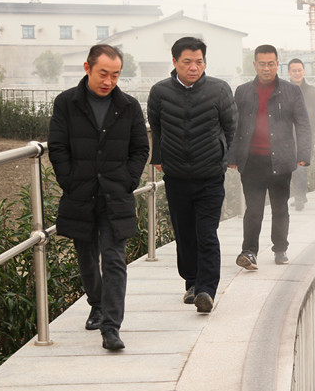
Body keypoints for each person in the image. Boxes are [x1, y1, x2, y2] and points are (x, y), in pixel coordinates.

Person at [48, 44, 149, 351]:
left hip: (115, 193)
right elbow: (58, 146)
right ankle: (97, 303)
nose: (109, 81)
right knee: (87, 254)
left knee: (115, 258)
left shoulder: (129, 106)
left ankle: (111, 326)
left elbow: (140, 149)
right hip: (81, 192)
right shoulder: (66, 103)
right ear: (87, 68)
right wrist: (69, 181)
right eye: (103, 73)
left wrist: (128, 180)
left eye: (115, 75)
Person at [147, 37, 237, 314]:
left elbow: (231, 127)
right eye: (187, 62)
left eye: (199, 62)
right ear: (175, 62)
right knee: (185, 234)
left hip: (210, 176)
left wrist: (225, 158)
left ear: (205, 63)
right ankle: (191, 282)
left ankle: (206, 290)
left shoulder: (219, 90)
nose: (193, 67)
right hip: (176, 176)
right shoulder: (160, 92)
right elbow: (157, 128)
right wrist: (158, 158)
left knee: (206, 233)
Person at [229, 44, 311, 269]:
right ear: (255, 65)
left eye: (271, 64)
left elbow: (303, 124)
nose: (266, 68)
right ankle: (249, 252)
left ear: (277, 65)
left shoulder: (291, 91)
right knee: (253, 209)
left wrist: (303, 154)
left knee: (280, 208)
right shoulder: (243, 91)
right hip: (252, 160)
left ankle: (280, 248)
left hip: (281, 159)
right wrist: (232, 156)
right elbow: (234, 126)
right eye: (262, 64)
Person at [287, 58, 315, 211]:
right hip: (287, 136)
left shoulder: (312, 91)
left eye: (299, 70)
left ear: (304, 71)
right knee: (291, 169)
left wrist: (308, 128)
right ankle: (300, 195)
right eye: (294, 70)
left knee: (300, 167)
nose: (297, 73)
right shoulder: (283, 90)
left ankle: (300, 198)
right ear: (289, 72)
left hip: (305, 136)